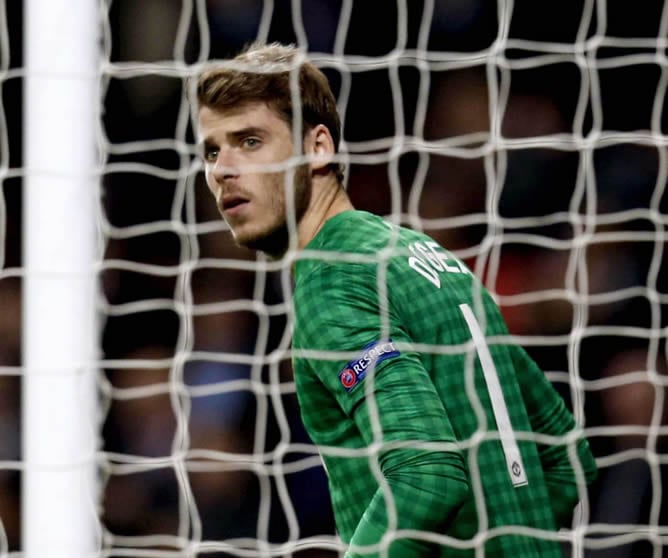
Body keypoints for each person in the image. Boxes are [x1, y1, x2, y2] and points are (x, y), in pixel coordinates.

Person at [193, 41, 598, 558]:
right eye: (211, 150)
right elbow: (568, 457)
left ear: (318, 147)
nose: (223, 169)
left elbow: (426, 475)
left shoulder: (332, 283)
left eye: (250, 141)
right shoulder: (426, 256)